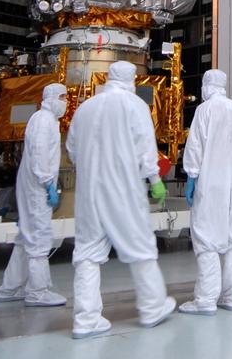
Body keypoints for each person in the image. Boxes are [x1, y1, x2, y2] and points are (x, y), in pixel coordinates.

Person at [67, 60, 175, 338]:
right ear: (132, 79)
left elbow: (72, 150)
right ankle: (152, 307)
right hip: (122, 187)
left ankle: (86, 320)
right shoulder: (134, 104)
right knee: (139, 245)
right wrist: (155, 180)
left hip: (89, 190)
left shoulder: (85, 108)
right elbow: (145, 148)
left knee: (88, 253)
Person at [179, 69, 232, 316]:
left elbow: (195, 145)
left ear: (207, 85)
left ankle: (206, 300)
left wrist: (191, 175)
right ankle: (231, 295)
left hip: (212, 182)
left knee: (206, 236)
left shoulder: (204, 109)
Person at [0, 83, 67, 306]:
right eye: (63, 97)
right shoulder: (44, 120)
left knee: (25, 239)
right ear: (53, 97)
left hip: (33, 184)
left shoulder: (45, 120)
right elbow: (39, 154)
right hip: (37, 186)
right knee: (39, 238)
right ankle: (37, 292)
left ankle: (10, 287)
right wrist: (48, 184)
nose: (66, 102)